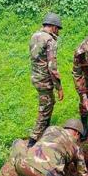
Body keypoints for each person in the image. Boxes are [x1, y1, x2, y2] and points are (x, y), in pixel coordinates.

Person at [28, 12, 64, 148]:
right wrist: (59, 87)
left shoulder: (34, 36)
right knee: (45, 108)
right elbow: (52, 67)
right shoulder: (50, 41)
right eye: (58, 29)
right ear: (54, 27)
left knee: (49, 102)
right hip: (45, 80)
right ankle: (33, 140)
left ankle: (45, 130)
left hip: (35, 77)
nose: (58, 32)